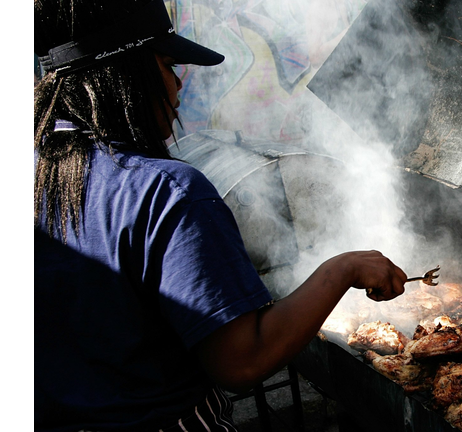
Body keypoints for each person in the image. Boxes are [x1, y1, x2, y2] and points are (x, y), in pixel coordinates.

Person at [33, 1, 407, 431]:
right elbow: (241, 361)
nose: (177, 87)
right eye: (169, 66)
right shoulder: (166, 191)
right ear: (125, 74)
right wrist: (342, 269)